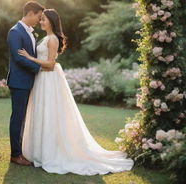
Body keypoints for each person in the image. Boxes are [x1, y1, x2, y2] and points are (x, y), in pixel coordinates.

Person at [18, 9, 134, 175]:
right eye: (41, 19)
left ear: (51, 21)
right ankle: (42, 150)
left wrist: (30, 58)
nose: (41, 22)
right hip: (41, 80)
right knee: (43, 113)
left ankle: (52, 152)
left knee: (51, 114)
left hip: (49, 79)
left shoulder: (52, 39)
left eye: (43, 19)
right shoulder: (45, 38)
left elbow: (50, 64)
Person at [7, 1, 53, 166]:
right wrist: (39, 68)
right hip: (19, 81)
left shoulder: (29, 32)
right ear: (31, 13)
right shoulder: (15, 32)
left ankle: (22, 150)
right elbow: (19, 58)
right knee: (18, 118)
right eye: (39, 17)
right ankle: (15, 154)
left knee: (24, 118)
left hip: (28, 81)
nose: (39, 21)